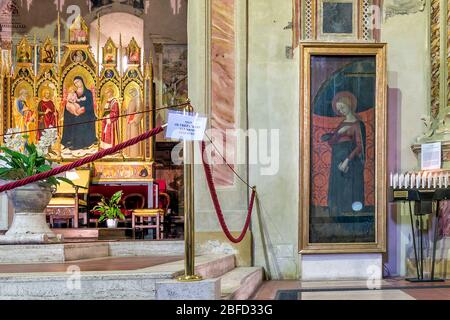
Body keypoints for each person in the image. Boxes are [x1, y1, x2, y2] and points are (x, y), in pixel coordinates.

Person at [321, 91, 366, 217]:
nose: (341, 111)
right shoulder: (342, 124)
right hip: (337, 162)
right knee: (338, 192)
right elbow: (331, 142)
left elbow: (359, 147)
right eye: (339, 109)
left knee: (348, 191)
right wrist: (340, 132)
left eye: (343, 107)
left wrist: (347, 160)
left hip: (350, 163)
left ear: (349, 105)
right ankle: (337, 216)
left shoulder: (358, 124)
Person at [61, 76, 97, 150]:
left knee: (81, 120)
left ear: (82, 81)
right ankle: (73, 142)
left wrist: (84, 109)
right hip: (74, 115)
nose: (77, 84)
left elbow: (91, 106)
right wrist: (73, 112)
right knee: (74, 120)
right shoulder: (73, 93)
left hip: (86, 115)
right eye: (75, 83)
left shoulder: (88, 93)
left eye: (78, 81)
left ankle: (85, 143)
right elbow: (69, 104)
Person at [124, 87, 143, 157]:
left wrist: (134, 120)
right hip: (129, 122)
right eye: (130, 93)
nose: (132, 94)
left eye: (133, 92)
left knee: (134, 138)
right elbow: (129, 111)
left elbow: (140, 112)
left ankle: (135, 154)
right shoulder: (132, 100)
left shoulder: (138, 100)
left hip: (134, 123)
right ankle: (129, 154)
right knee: (130, 138)